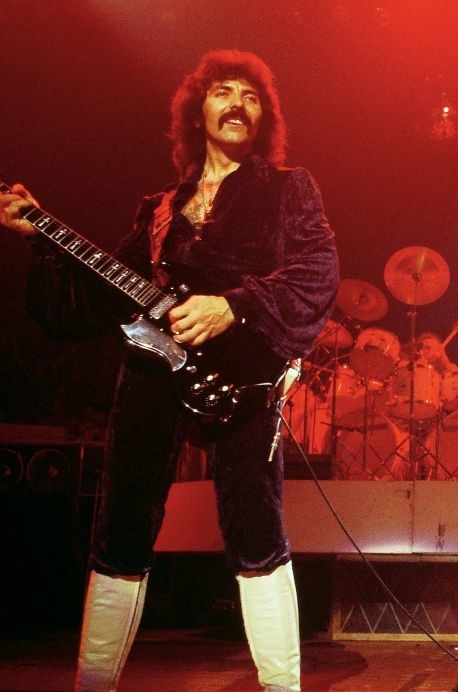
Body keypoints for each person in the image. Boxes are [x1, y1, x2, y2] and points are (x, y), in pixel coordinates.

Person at [0, 50, 339, 691]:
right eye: (222, 92)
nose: (236, 102)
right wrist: (38, 236)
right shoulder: (158, 208)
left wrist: (233, 307)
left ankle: (281, 686)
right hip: (151, 376)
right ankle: (93, 683)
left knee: (256, 528)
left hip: (244, 374)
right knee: (121, 526)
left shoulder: (289, 189)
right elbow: (87, 302)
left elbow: (316, 274)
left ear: (264, 116)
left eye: (250, 95)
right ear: (197, 110)